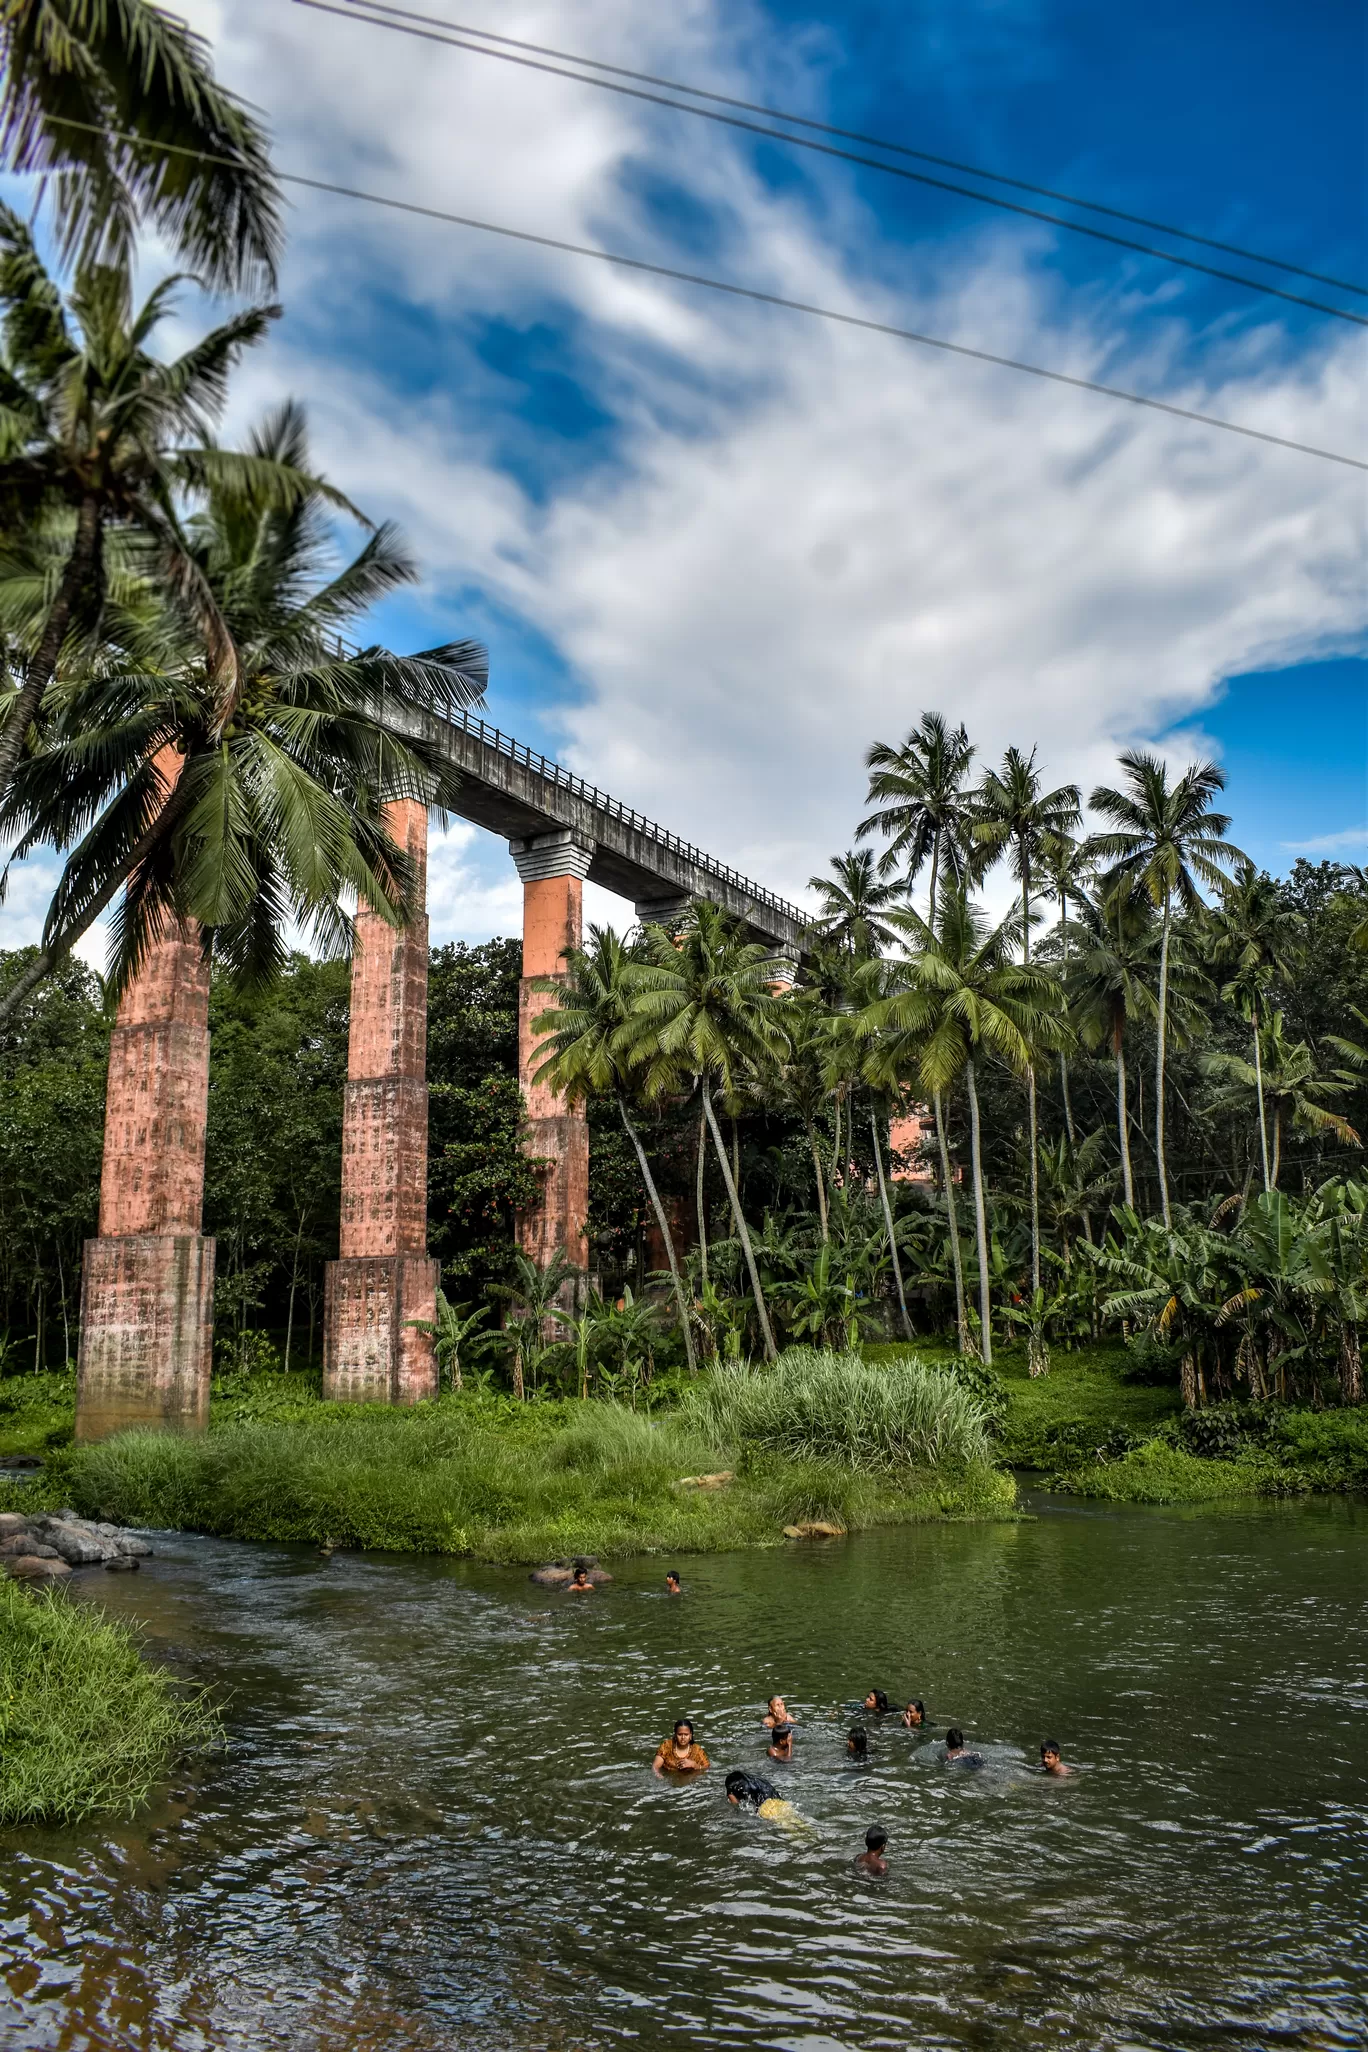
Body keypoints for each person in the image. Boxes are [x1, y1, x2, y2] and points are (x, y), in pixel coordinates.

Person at [724, 1770, 799, 1823]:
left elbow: (736, 1805)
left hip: (767, 1809)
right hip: (780, 1803)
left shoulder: (730, 1788)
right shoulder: (755, 1780)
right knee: (799, 1824)